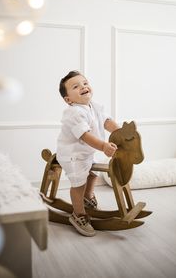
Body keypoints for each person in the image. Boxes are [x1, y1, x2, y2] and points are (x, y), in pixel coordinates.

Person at [56, 70, 119, 237]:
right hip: (72, 154)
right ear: (68, 99)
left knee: (93, 174)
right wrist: (104, 146)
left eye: (85, 83)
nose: (83, 87)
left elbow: (107, 121)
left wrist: (120, 132)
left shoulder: (95, 107)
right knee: (79, 182)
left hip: (88, 151)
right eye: (76, 86)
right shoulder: (73, 113)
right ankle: (78, 214)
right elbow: (85, 135)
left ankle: (88, 197)